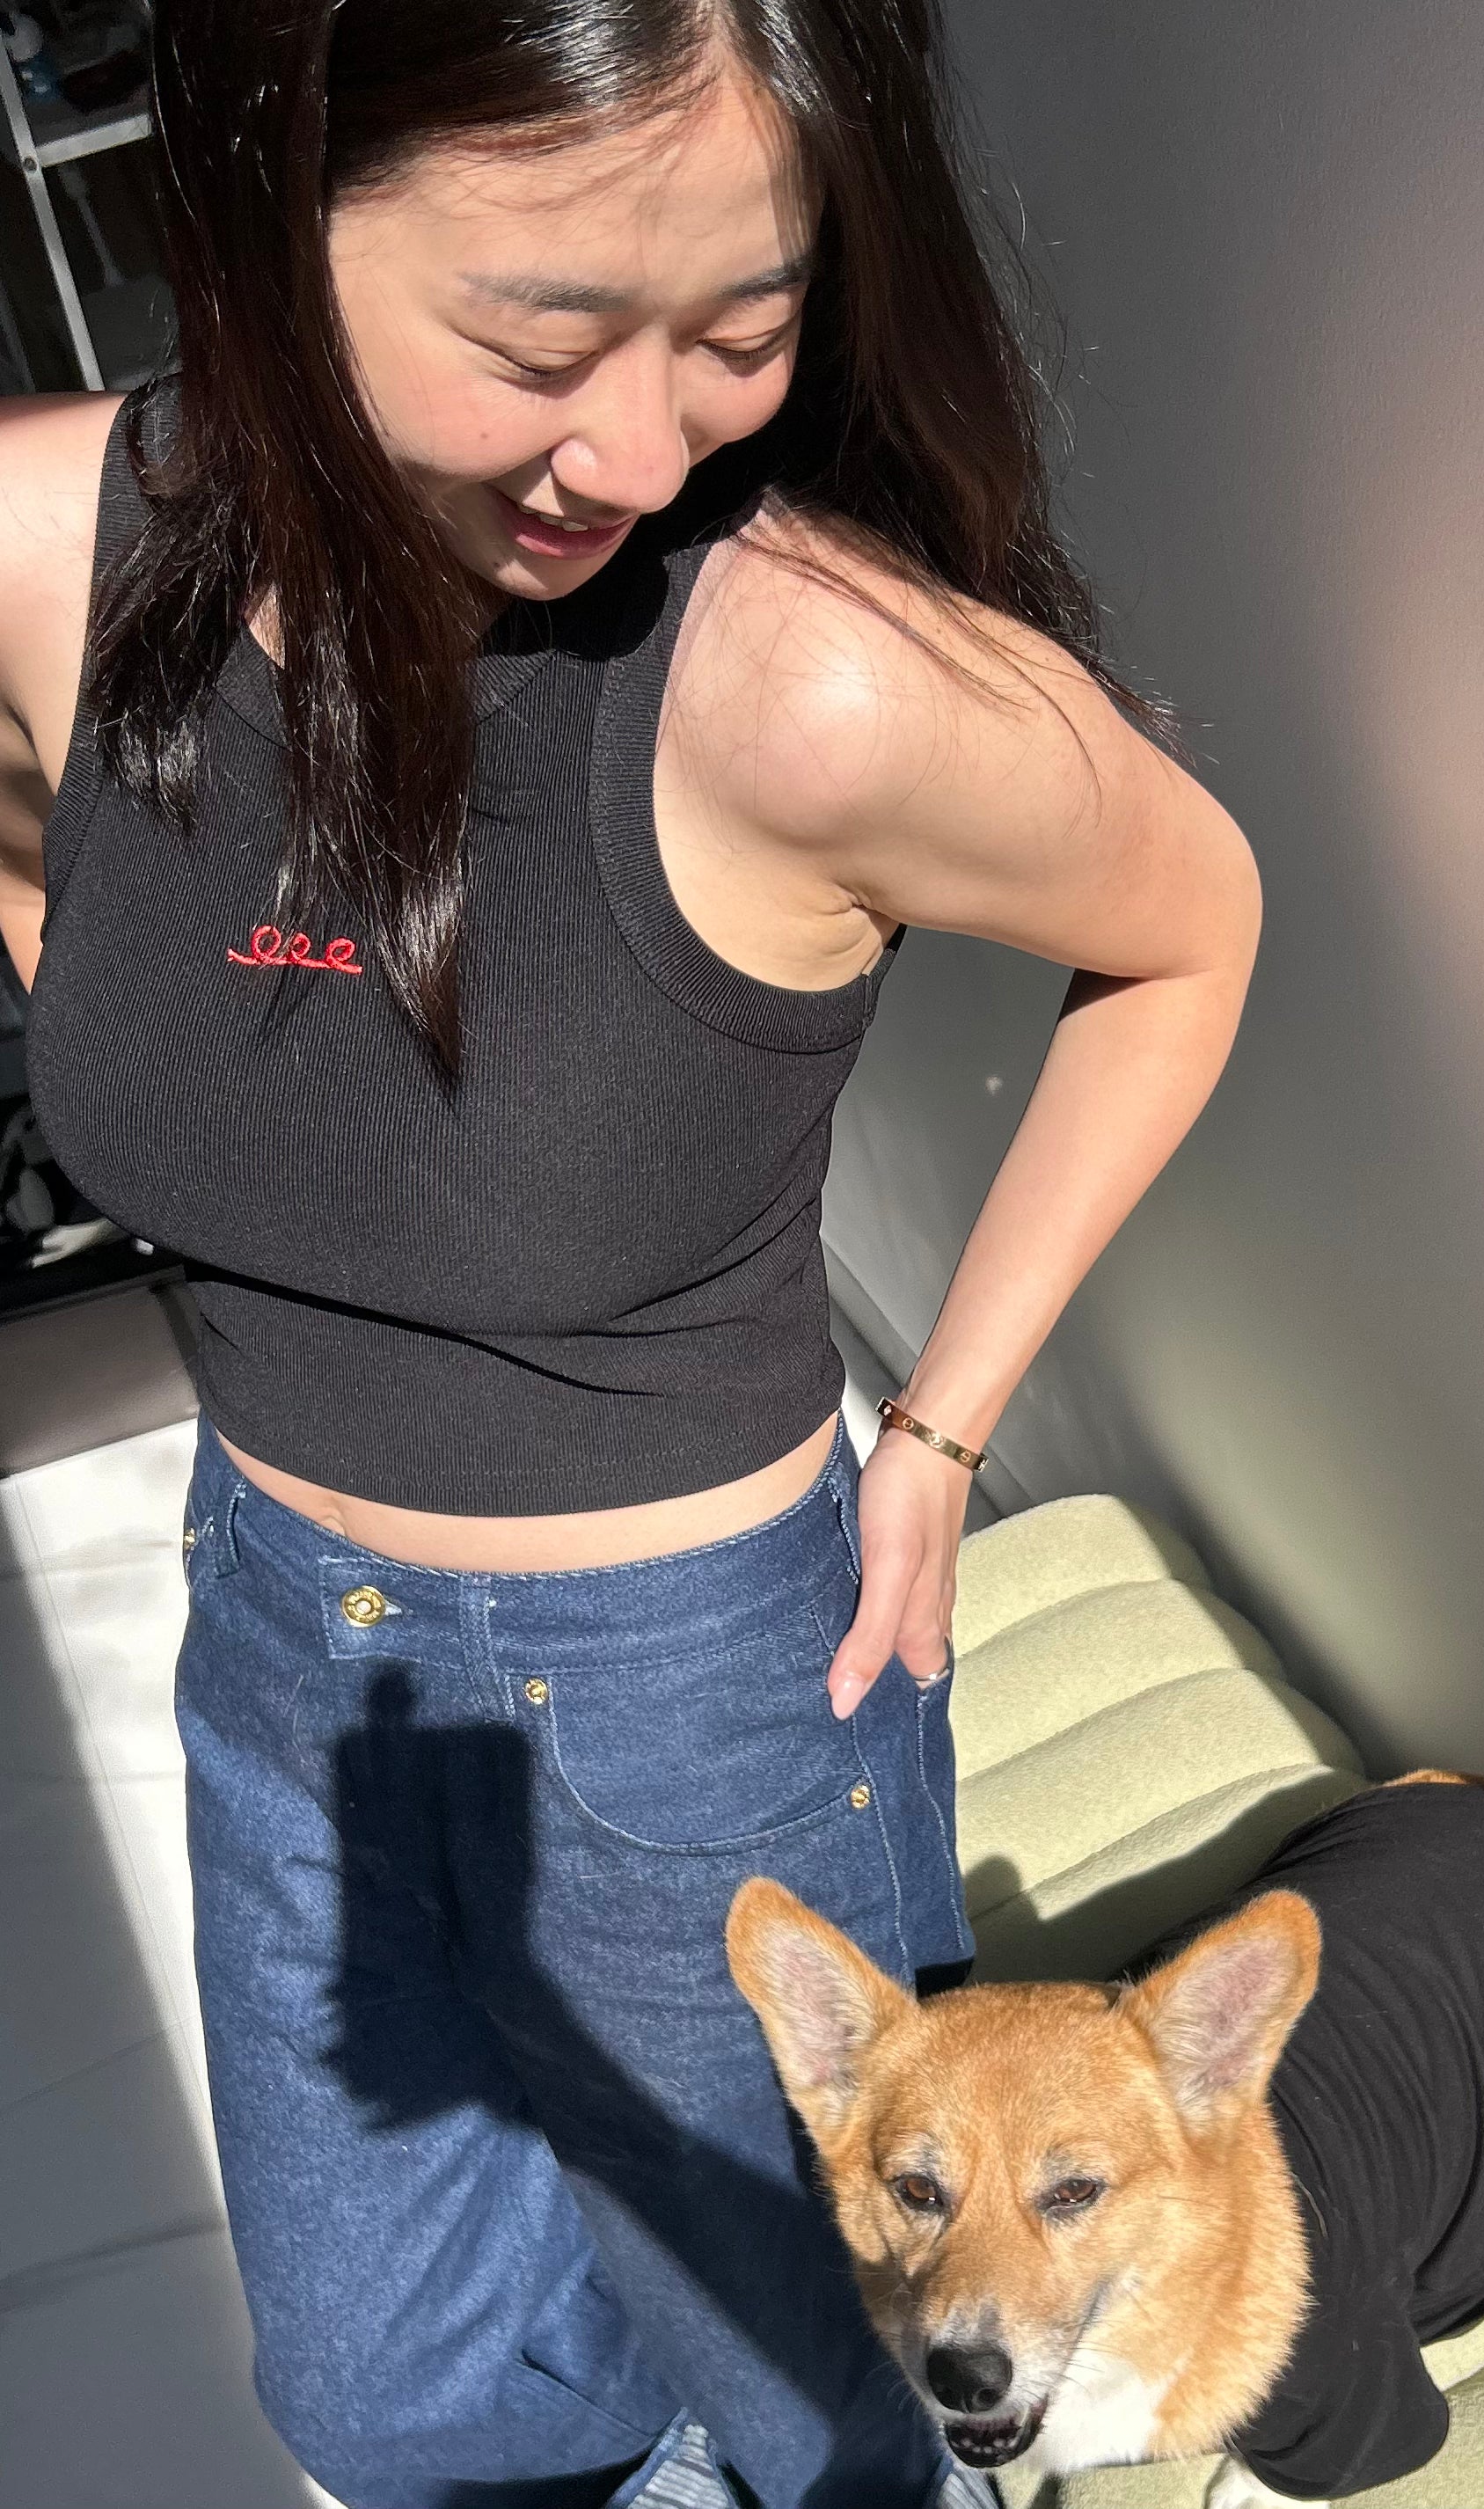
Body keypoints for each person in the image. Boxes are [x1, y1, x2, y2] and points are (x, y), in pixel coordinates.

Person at [0, 2, 1261, 2504]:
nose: (644, 447)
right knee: (384, 2395)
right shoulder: (45, 550)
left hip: (690, 1705)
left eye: (743, 332)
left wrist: (943, 1424)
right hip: (286, 1626)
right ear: (262, 209)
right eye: (541, 336)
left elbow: (1191, 929)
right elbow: (66, 869)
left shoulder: (801, 676)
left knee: (831, 2394)